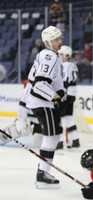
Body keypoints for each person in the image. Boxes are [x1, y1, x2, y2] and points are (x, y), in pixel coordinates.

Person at [26, 25, 65, 189]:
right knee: (51, 136)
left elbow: (53, 80)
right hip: (42, 102)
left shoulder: (53, 55)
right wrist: (54, 96)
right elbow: (39, 83)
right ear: (49, 42)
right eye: (57, 39)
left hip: (45, 102)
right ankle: (42, 173)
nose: (60, 41)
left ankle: (44, 171)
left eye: (60, 38)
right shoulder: (49, 55)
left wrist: (61, 92)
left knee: (54, 136)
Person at [56, 45, 80, 149]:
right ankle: (75, 140)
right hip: (72, 94)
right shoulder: (73, 65)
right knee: (69, 118)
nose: (60, 56)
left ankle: (60, 142)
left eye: (61, 54)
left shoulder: (65, 65)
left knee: (59, 118)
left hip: (66, 94)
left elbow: (65, 81)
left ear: (67, 56)